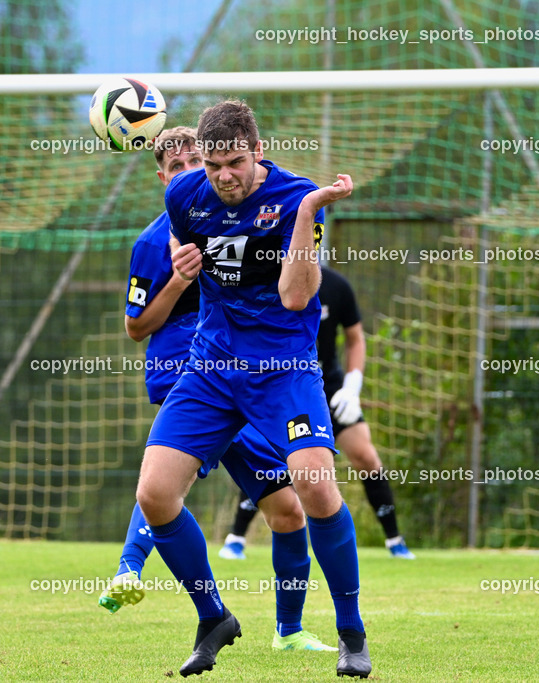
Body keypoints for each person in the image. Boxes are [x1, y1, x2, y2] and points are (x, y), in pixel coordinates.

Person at [136, 101, 370, 677]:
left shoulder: (297, 199)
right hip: (211, 368)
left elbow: (296, 297)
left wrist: (309, 212)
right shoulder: (184, 196)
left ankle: (350, 631)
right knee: (155, 494)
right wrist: (185, 267)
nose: (224, 176)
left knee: (314, 489)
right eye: (214, 165)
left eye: (235, 163)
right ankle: (212, 615)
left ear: (257, 152)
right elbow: (193, 260)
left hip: (284, 369)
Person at [98, 126, 336, 653]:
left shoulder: (244, 216)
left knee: (289, 510)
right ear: (164, 178)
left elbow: (285, 290)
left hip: (254, 376)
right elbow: (136, 327)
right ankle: (132, 567)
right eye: (180, 168)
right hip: (196, 375)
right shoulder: (154, 241)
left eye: (197, 164)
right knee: (165, 482)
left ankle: (288, 633)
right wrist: (180, 279)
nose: (197, 177)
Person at [219, 265, 414, 561]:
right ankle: (235, 538)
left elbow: (355, 338)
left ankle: (395, 541)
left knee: (365, 455)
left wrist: (352, 387)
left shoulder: (336, 285)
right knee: (268, 457)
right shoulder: (265, 281)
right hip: (283, 389)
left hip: (330, 391)